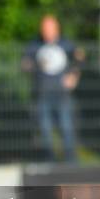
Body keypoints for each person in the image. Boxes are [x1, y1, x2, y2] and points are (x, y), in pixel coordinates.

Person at [22, 15, 81, 162]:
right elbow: (25, 63)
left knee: (66, 128)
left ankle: (71, 162)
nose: (47, 31)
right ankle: (50, 162)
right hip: (42, 95)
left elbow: (79, 58)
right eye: (44, 28)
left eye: (50, 28)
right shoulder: (35, 44)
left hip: (62, 95)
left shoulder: (66, 44)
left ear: (57, 28)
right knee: (45, 130)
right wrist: (29, 66)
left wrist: (74, 76)